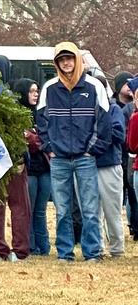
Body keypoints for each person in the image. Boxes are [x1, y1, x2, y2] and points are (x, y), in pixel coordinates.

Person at [37, 42, 110, 262]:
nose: (66, 63)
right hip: (58, 159)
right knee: (61, 209)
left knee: (89, 208)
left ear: (77, 60)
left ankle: (92, 253)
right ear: (56, 63)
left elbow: (104, 122)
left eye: (69, 58)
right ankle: (65, 253)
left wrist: (92, 150)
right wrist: (49, 150)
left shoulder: (94, 86)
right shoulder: (49, 88)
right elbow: (41, 122)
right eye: (61, 59)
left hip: (85, 159)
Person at [0, 55, 30, 261]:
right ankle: (20, 250)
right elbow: (19, 131)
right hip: (12, 156)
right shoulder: (10, 98)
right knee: (19, 205)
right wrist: (21, 157)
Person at [13, 79, 51, 256]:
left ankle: (44, 247)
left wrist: (35, 138)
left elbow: (43, 138)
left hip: (44, 167)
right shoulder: (17, 114)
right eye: (31, 91)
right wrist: (32, 138)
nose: (35, 94)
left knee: (41, 210)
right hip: (28, 169)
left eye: (37, 91)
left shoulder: (40, 114)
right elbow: (26, 141)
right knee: (28, 209)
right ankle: (31, 245)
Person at [93, 73, 126, 257]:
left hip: (109, 165)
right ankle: (97, 248)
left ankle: (117, 248)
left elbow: (119, 136)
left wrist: (97, 134)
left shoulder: (114, 110)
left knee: (112, 210)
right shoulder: (86, 108)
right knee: (91, 211)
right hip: (88, 164)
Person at [112, 72, 137, 240]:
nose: (129, 87)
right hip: (119, 154)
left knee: (133, 193)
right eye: (125, 84)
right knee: (123, 193)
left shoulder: (133, 113)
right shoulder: (114, 107)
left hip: (130, 156)